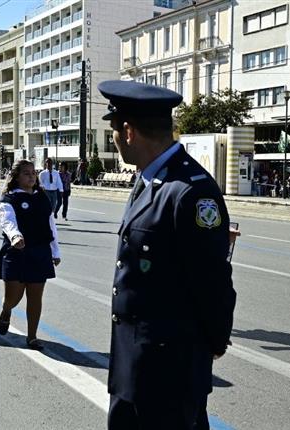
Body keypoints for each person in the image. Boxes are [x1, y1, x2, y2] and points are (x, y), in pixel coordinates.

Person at [99, 80, 236, 429]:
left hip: (168, 371)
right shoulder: (151, 180)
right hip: (136, 364)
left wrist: (214, 340)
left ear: (128, 132)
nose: (114, 140)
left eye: (114, 130)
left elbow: (212, 281)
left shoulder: (190, 190)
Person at [0, 159, 61, 350]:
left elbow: (51, 226)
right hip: (16, 253)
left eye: (33, 172)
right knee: (13, 297)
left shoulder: (42, 198)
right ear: (16, 177)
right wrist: (15, 236)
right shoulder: (9, 199)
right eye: (26, 173)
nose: (31, 176)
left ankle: (32, 336)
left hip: (39, 252)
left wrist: (55, 251)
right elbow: (7, 221)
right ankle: (6, 310)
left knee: (35, 296)